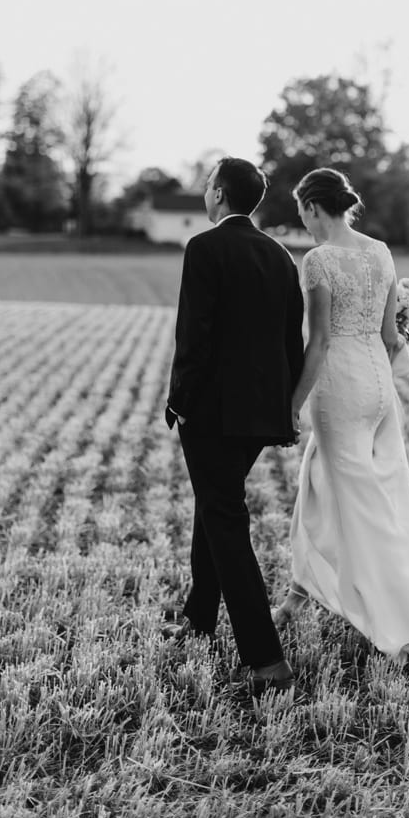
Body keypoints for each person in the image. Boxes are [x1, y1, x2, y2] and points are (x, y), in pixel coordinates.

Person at [274, 168, 409, 660]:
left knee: (359, 506)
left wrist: (291, 402)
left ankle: (401, 622)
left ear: (311, 207)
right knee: (355, 490)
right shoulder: (381, 252)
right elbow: (392, 338)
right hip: (380, 387)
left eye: (301, 210)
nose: (302, 221)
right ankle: (300, 593)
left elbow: (320, 341)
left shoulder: (318, 261)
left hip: (341, 389)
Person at [163, 157, 304, 694]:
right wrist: (284, 412)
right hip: (260, 414)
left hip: (213, 412)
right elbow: (291, 339)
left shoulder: (203, 247)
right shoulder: (280, 256)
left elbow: (192, 334)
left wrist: (179, 400)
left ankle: (266, 656)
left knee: (223, 517)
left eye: (206, 186)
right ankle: (199, 619)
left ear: (220, 195)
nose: (204, 193)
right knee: (215, 502)